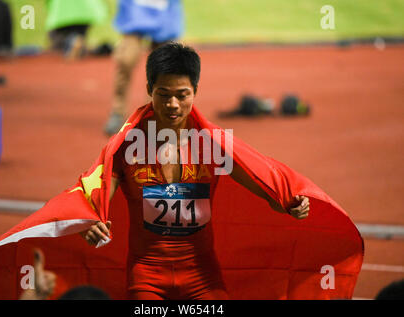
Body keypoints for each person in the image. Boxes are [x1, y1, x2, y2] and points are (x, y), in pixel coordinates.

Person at [82, 42, 310, 299]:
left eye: (182, 95)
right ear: (149, 90)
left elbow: (269, 193)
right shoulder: (124, 147)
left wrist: (291, 204)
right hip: (146, 278)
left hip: (202, 277)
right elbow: (94, 202)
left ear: (195, 91)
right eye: (163, 94)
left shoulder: (213, 145)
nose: (173, 105)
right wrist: (89, 223)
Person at [104, 0, 184, 135]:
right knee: (126, 59)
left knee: (165, 65)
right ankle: (118, 112)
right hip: (135, 8)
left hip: (165, 10)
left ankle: (156, 114)